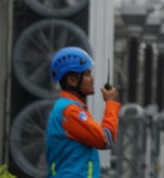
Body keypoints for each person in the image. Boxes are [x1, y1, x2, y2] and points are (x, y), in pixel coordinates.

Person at [45, 46, 121, 178]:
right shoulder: (70, 111)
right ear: (72, 81)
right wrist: (111, 104)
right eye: (87, 74)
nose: (92, 79)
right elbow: (105, 139)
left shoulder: (68, 107)